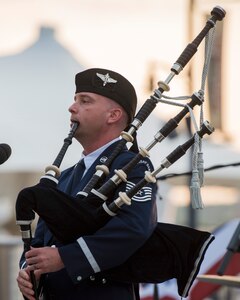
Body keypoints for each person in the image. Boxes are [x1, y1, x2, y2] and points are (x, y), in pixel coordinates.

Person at [17, 68, 158, 300]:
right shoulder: (64, 177)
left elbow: (133, 228)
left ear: (112, 115)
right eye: (75, 100)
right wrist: (28, 270)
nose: (72, 108)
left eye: (85, 101)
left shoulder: (134, 167)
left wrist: (66, 258)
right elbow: (41, 240)